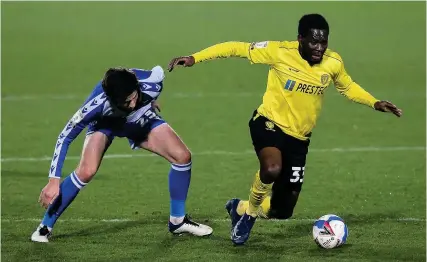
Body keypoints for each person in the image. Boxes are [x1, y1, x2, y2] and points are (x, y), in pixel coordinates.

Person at [168, 14, 402, 245]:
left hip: (299, 139)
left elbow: (347, 86)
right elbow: (235, 48)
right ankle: (249, 216)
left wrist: (374, 102)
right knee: (271, 169)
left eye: (324, 42)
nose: (319, 47)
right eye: (314, 41)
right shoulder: (279, 51)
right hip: (269, 123)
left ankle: (239, 207)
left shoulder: (333, 62)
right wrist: (194, 58)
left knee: (282, 209)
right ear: (300, 38)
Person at [31, 65, 213, 242]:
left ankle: (177, 221)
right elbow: (65, 137)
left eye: (134, 97)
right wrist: (53, 181)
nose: (132, 103)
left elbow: (143, 93)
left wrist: (147, 101)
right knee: (86, 171)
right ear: (111, 99)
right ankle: (45, 227)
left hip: (137, 120)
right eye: (126, 102)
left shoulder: (153, 82)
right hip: (105, 124)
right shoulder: (96, 106)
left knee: (182, 157)